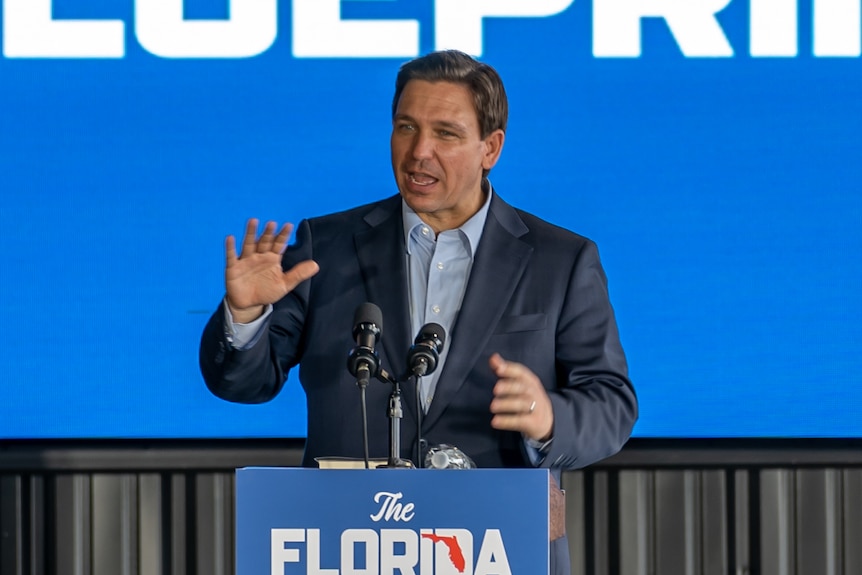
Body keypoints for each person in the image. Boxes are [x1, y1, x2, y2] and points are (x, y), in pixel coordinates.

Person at [199, 49, 637, 574]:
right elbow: (244, 383)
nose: (419, 151)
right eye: (406, 126)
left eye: (446, 133)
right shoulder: (328, 245)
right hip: (347, 546)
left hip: (498, 548)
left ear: (490, 148)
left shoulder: (562, 260)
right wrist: (245, 318)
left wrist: (547, 420)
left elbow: (611, 403)